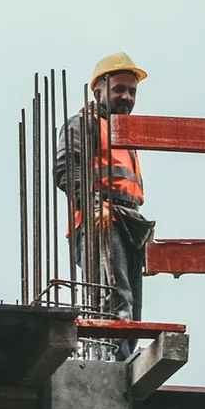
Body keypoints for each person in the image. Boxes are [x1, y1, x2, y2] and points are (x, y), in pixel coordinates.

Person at [54, 52, 156, 361]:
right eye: (119, 90)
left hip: (130, 221)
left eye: (132, 91)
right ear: (98, 90)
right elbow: (65, 171)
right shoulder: (83, 123)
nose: (126, 97)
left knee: (133, 304)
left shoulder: (126, 133)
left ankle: (124, 354)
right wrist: (93, 205)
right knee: (115, 294)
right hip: (101, 220)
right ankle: (115, 358)